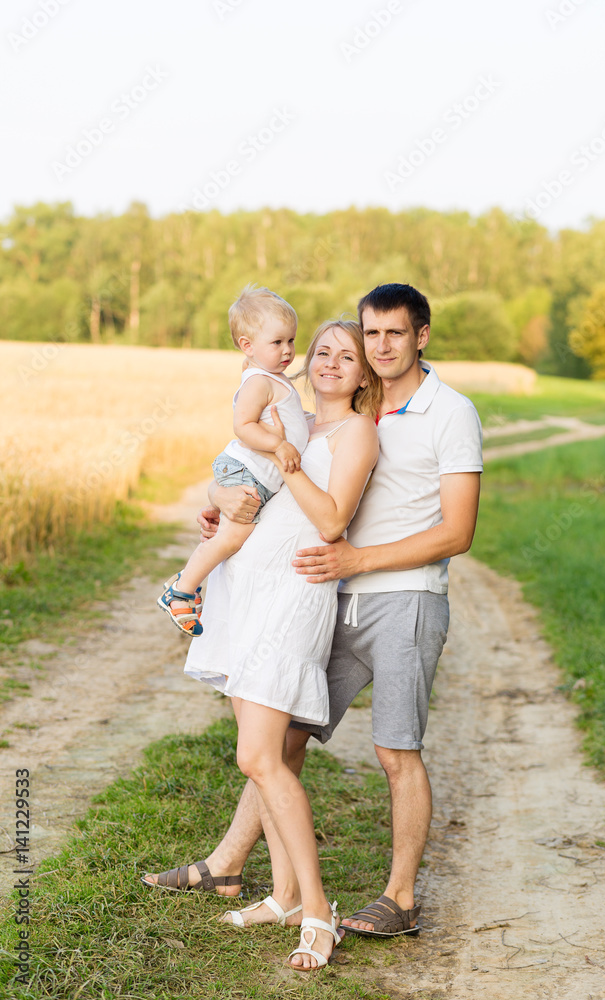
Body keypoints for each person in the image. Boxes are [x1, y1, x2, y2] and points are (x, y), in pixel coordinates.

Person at [173, 283, 484, 939]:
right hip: (329, 595)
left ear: (421, 336)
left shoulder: (449, 413)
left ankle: (399, 897)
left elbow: (457, 532)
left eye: (393, 333)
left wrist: (357, 560)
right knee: (282, 739)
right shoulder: (326, 417)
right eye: (371, 334)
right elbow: (257, 476)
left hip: (402, 598)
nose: (380, 345)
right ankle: (234, 868)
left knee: (395, 749)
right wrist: (221, 502)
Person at [143, 319, 381, 971]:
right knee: (263, 759)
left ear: (363, 373)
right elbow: (232, 472)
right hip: (242, 590)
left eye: (347, 356)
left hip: (292, 597)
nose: (329, 363)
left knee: (259, 757)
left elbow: (330, 519)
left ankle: (318, 911)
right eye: (322, 351)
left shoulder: (355, 432)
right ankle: (283, 897)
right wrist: (220, 498)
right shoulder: (290, 417)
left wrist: (287, 459)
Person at [157, 284, 309, 637]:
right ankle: (181, 590)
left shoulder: (269, 376)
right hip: (246, 470)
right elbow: (243, 426)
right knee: (233, 537)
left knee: (233, 535)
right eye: (277, 342)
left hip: (255, 473)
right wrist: (279, 445)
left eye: (291, 340)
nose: (287, 350)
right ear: (247, 345)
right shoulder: (259, 382)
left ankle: (188, 583)